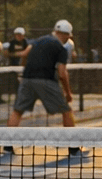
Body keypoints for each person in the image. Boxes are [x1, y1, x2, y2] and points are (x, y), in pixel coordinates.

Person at [5, 20, 77, 149]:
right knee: (66, 111)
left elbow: (25, 54)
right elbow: (62, 73)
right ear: (66, 35)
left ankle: (7, 146)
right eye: (68, 36)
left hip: (27, 79)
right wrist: (68, 92)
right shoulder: (61, 49)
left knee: (17, 111)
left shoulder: (38, 41)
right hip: (46, 80)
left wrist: (25, 69)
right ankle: (73, 147)